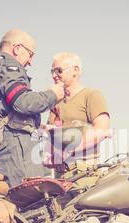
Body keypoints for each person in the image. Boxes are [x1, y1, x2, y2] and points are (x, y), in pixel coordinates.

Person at [0, 29, 65, 187]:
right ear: (17, 48)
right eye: (31, 54)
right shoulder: (8, 66)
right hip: (14, 153)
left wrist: (36, 125)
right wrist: (53, 94)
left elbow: (6, 110)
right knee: (30, 200)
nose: (31, 61)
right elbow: (23, 102)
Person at [45, 52, 110, 181]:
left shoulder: (91, 95)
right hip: (60, 177)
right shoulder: (55, 103)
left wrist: (68, 149)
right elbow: (52, 139)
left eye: (59, 70)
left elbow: (102, 131)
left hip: (85, 174)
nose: (54, 75)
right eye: (52, 71)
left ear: (75, 70)